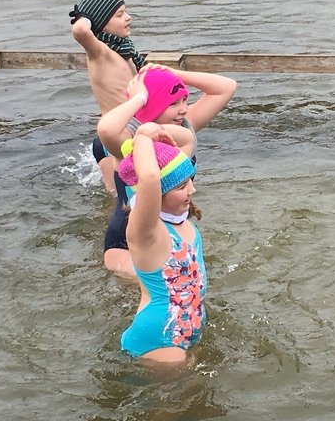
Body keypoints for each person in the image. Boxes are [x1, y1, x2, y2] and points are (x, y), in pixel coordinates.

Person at [96, 64, 237, 279]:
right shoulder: (130, 141)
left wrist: (173, 74)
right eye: (173, 103)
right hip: (128, 242)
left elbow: (227, 87)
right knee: (162, 289)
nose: (184, 109)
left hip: (173, 236)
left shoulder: (184, 127)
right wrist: (140, 97)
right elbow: (106, 129)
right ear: (150, 104)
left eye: (184, 100)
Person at [115, 124, 207, 364]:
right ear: (158, 194)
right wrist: (143, 136)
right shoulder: (147, 231)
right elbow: (150, 178)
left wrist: (156, 129)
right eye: (182, 187)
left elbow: (187, 138)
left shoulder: (177, 216)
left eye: (190, 181)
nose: (192, 189)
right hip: (159, 338)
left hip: (186, 328)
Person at [70, 0, 146, 192]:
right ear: (101, 22)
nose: (128, 17)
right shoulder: (100, 53)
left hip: (123, 134)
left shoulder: (123, 50)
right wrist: (86, 18)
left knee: (124, 200)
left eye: (125, 12)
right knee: (122, 202)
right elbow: (80, 30)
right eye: (119, 15)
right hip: (116, 138)